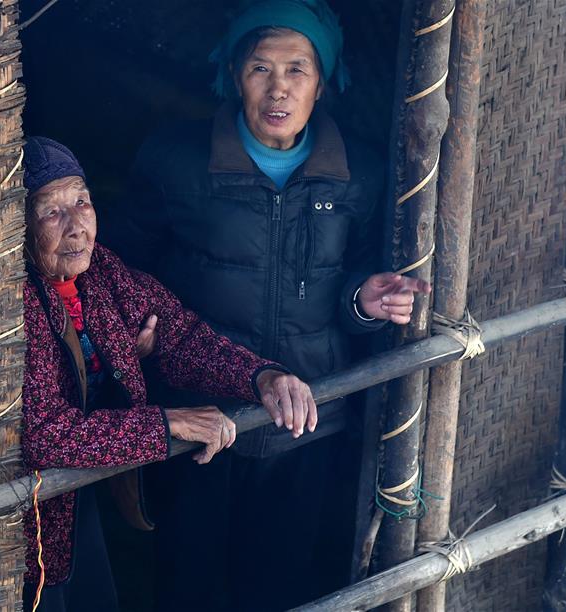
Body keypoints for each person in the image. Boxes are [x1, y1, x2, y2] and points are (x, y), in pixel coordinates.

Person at [106, 1, 432, 609]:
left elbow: (354, 287)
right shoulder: (176, 160)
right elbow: (121, 269)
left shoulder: (359, 173)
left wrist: (363, 301)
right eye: (260, 68)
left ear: (323, 82)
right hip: (200, 423)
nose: (277, 88)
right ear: (234, 75)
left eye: (296, 70)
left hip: (305, 430)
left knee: (278, 589)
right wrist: (134, 334)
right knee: (186, 587)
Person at [19, 136, 316, 612]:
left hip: (84, 499)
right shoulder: (19, 304)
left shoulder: (102, 275)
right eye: (51, 213)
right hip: (27, 526)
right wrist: (167, 424)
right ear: (21, 227)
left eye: (81, 202)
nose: (76, 227)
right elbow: (44, 436)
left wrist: (262, 376)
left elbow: (180, 337)